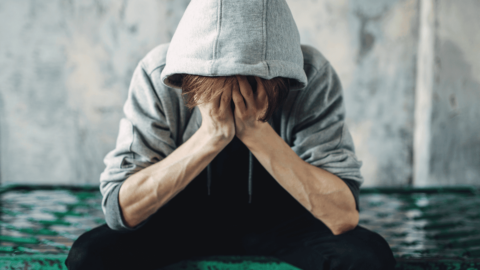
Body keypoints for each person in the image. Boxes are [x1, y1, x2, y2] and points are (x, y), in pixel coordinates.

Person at [65, 0, 396, 269]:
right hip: (179, 219)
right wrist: (211, 137)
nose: (233, 106)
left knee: (366, 257)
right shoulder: (157, 73)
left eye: (248, 92)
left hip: (284, 220)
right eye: (219, 97)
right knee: (90, 256)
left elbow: (343, 216)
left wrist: (256, 132)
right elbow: (120, 211)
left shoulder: (312, 75)